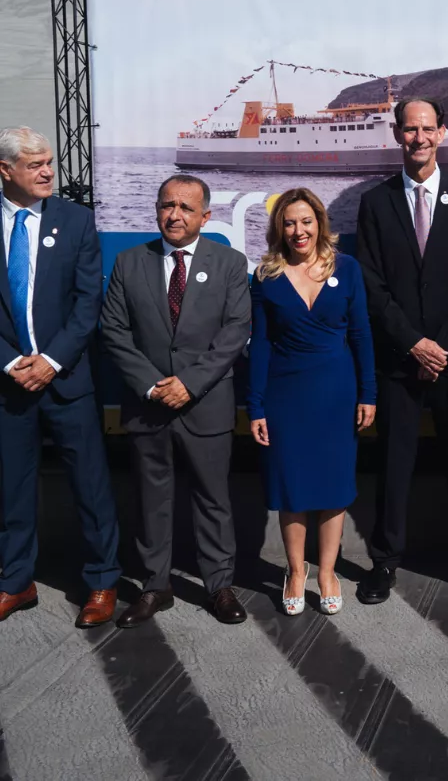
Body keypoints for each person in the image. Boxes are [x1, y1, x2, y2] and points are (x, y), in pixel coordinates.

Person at [353, 97, 448, 605]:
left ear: (441, 133)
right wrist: (413, 343)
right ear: (397, 134)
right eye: (410, 129)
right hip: (399, 357)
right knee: (394, 465)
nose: (419, 138)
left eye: (427, 129)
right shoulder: (376, 203)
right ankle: (384, 561)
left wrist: (443, 350)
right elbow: (370, 284)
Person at [99, 175, 252, 627]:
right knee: (152, 500)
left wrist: (189, 383)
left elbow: (235, 332)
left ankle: (219, 586)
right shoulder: (129, 263)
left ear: (206, 216)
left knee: (213, 499)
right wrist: (151, 385)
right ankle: (155, 586)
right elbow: (114, 331)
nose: (175, 215)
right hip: (148, 406)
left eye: (186, 207)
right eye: (167, 205)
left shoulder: (230, 263)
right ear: (156, 210)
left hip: (206, 403)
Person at [0, 127, 122, 627]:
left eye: (49, 161)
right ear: (5, 170)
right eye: (35, 165)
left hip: (67, 380)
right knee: (11, 486)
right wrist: (11, 363)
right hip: (9, 384)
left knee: (90, 485)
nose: (48, 171)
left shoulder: (76, 220)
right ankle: (16, 581)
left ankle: (102, 580)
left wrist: (50, 361)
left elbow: (88, 301)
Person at [248, 188, 377, 616]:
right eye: (289, 223)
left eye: (306, 221)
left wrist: (368, 393)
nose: (298, 230)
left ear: (320, 223)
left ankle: (327, 573)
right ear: (279, 229)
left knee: (334, 486)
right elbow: (260, 344)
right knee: (292, 487)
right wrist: (255, 405)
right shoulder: (265, 277)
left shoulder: (348, 268)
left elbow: (361, 334)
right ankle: (294, 572)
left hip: (337, 393)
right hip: (285, 396)